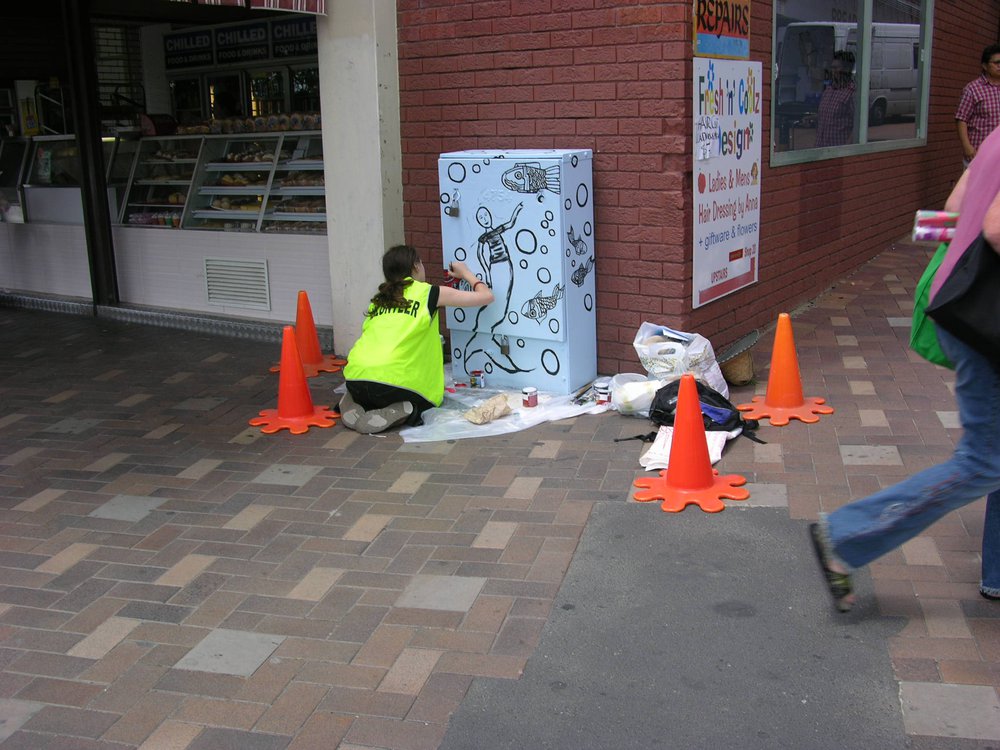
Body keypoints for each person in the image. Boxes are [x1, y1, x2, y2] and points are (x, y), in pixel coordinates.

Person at [809, 124, 1000, 612]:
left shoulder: (997, 135)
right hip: (988, 321)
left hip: (961, 304)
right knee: (985, 461)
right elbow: (996, 227)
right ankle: (845, 534)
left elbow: (952, 213)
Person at [339, 245, 494, 434]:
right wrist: (466, 273)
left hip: (355, 378)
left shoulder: (378, 299)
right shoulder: (429, 293)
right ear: (415, 267)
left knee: (371, 387)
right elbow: (486, 297)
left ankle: (357, 400)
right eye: (420, 262)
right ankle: (407, 409)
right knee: (425, 402)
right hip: (397, 385)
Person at [955, 44, 1000, 167]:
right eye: (997, 63)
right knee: (976, 186)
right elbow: (961, 119)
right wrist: (967, 146)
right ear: (985, 66)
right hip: (978, 154)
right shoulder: (973, 89)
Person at [814, 50, 856, 148]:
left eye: (836, 68)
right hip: (821, 149)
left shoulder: (852, 92)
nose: (833, 71)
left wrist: (847, 148)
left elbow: (857, 126)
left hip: (838, 151)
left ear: (847, 69)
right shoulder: (829, 89)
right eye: (832, 68)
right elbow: (829, 117)